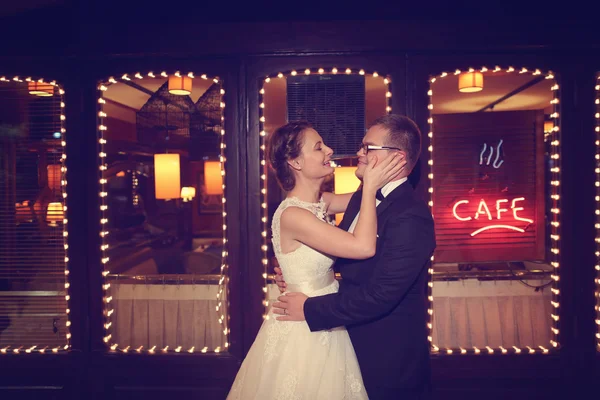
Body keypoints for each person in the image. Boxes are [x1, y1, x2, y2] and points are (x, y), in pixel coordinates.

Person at [226, 120, 406, 399]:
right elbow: (362, 246)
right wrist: (369, 187)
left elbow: (374, 201)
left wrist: (381, 175)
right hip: (304, 325)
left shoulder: (321, 203)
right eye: (319, 147)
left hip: (327, 313)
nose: (330, 151)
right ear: (295, 162)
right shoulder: (294, 215)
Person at [273, 114, 436, 400]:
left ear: (396, 157)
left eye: (367, 148)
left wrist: (310, 306)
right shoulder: (362, 198)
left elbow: (381, 294)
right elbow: (347, 259)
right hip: (344, 341)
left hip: (387, 356)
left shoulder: (411, 215)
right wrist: (297, 269)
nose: (357, 153)